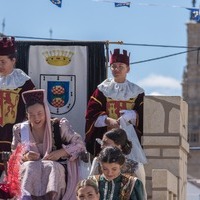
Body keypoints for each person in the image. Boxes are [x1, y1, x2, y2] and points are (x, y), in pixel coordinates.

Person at [11, 89, 86, 200]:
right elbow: (14, 155)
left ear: (46, 111)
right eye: (31, 114)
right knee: (29, 166)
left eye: (40, 113)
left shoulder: (59, 126)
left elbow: (80, 145)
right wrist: (26, 157)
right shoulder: (20, 130)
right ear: (27, 116)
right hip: (30, 167)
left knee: (52, 167)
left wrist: (60, 152)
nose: (36, 118)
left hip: (56, 166)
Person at [85, 48, 145, 156]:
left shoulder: (137, 91)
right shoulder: (102, 89)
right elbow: (91, 113)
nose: (116, 69)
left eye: (121, 66)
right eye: (113, 66)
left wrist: (132, 115)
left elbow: (144, 115)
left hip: (130, 137)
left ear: (128, 69)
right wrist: (107, 120)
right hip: (107, 136)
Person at [0, 36, 35, 177]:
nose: (0, 65)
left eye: (3, 62)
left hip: (14, 135)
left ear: (13, 60)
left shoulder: (24, 82)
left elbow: (33, 109)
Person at [89, 128, 147, 200]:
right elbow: (89, 186)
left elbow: (142, 194)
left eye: (106, 143)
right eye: (105, 169)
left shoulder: (136, 166)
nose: (102, 146)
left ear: (119, 145)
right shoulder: (98, 162)